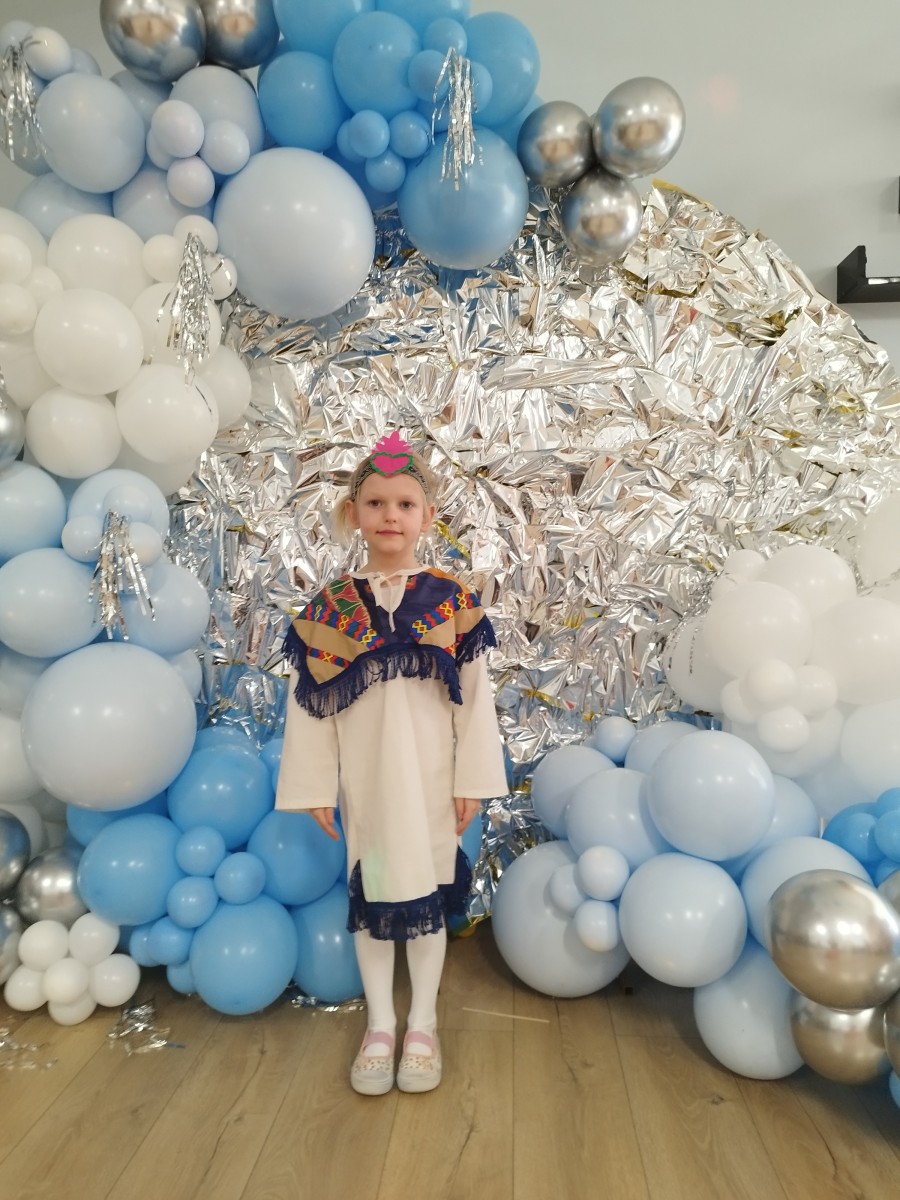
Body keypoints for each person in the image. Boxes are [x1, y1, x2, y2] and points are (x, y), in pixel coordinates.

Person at [274, 432, 508, 1095]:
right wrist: (314, 785)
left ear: (427, 516)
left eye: (405, 503)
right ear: (354, 514)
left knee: (428, 898)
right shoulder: (330, 610)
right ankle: (380, 1025)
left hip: (432, 784)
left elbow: (476, 702)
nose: (390, 515)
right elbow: (309, 707)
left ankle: (423, 1024)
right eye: (375, 502)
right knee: (373, 899)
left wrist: (473, 780)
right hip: (368, 787)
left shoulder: (451, 602)